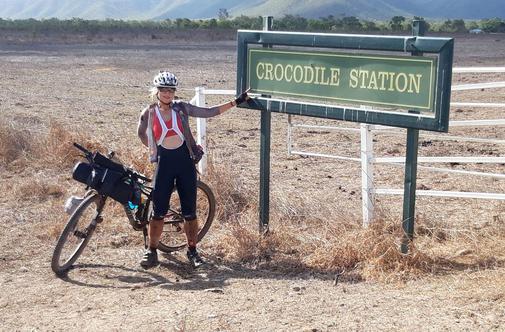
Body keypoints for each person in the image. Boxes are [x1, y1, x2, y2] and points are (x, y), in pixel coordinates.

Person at [137, 70, 249, 268]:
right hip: (163, 164)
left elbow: (209, 112)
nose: (167, 94)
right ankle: (151, 251)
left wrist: (236, 101)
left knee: (190, 212)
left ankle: (192, 251)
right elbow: (141, 133)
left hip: (184, 163)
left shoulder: (181, 108)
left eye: (171, 90)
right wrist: (154, 148)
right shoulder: (150, 112)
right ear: (157, 91)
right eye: (163, 89)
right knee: (158, 212)